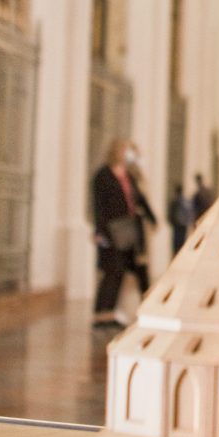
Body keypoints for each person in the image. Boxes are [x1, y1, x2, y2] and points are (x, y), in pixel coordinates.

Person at [90, 138, 157, 329]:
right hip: (111, 229)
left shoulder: (129, 175)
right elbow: (99, 206)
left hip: (129, 229)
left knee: (133, 270)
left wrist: (152, 218)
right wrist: (100, 231)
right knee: (112, 271)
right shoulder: (103, 175)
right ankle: (102, 314)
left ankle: (143, 308)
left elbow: (139, 199)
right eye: (124, 150)